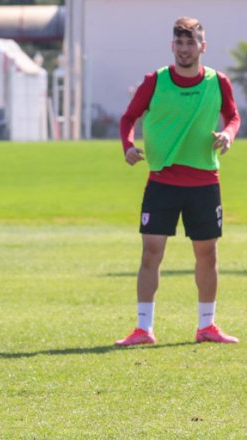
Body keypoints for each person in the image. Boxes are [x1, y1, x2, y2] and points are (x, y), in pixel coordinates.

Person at [115, 17, 240, 346]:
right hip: (162, 180)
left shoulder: (218, 81)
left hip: (204, 180)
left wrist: (227, 135)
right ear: (173, 46)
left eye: (191, 43)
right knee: (150, 254)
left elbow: (233, 116)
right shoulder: (154, 81)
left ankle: (207, 326)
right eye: (179, 43)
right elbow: (129, 117)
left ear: (203, 46)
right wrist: (128, 146)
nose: (185, 49)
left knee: (208, 254)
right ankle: (143, 329)